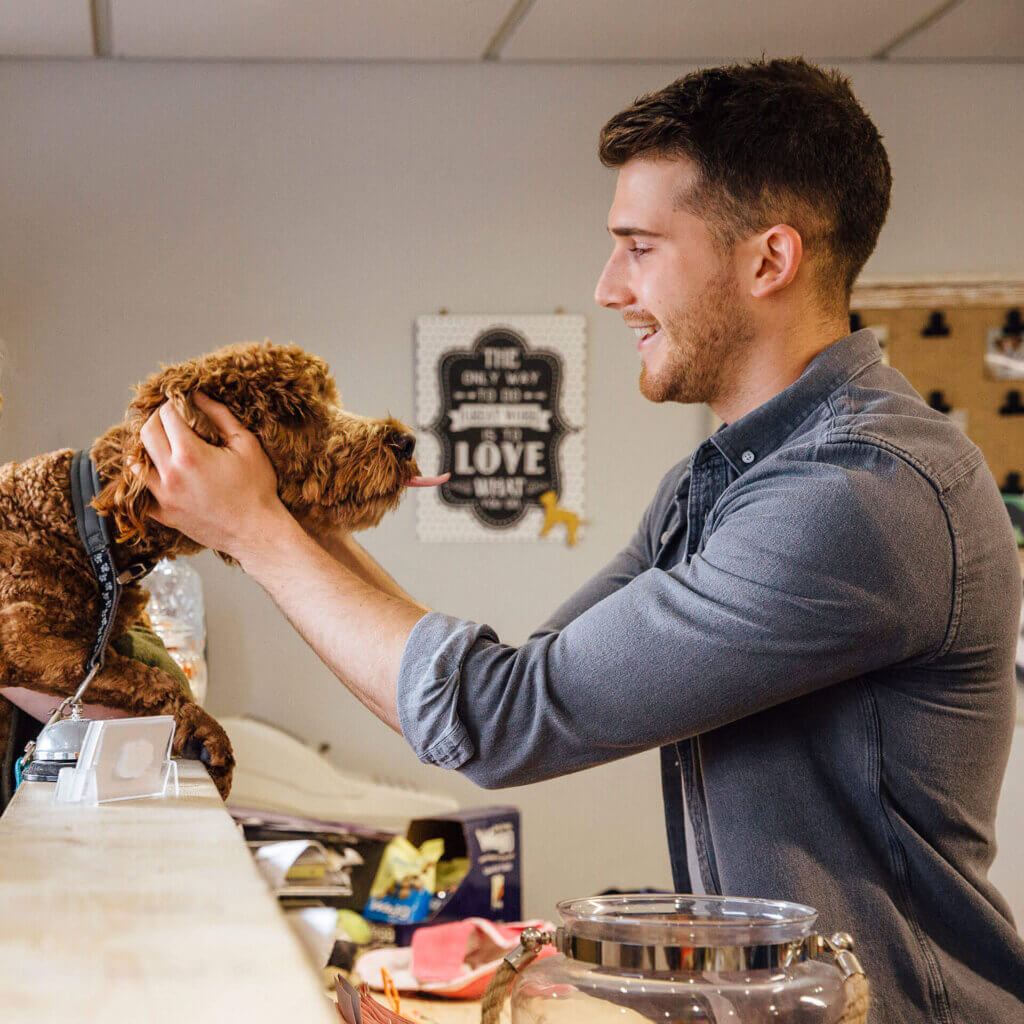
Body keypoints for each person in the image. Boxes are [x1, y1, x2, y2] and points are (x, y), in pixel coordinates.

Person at [137, 59, 1024, 1021]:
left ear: (769, 260)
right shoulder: (720, 483)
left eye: (639, 247)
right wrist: (283, 515)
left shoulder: (859, 497)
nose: (609, 288)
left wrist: (259, 532)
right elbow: (509, 690)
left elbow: (497, 717)